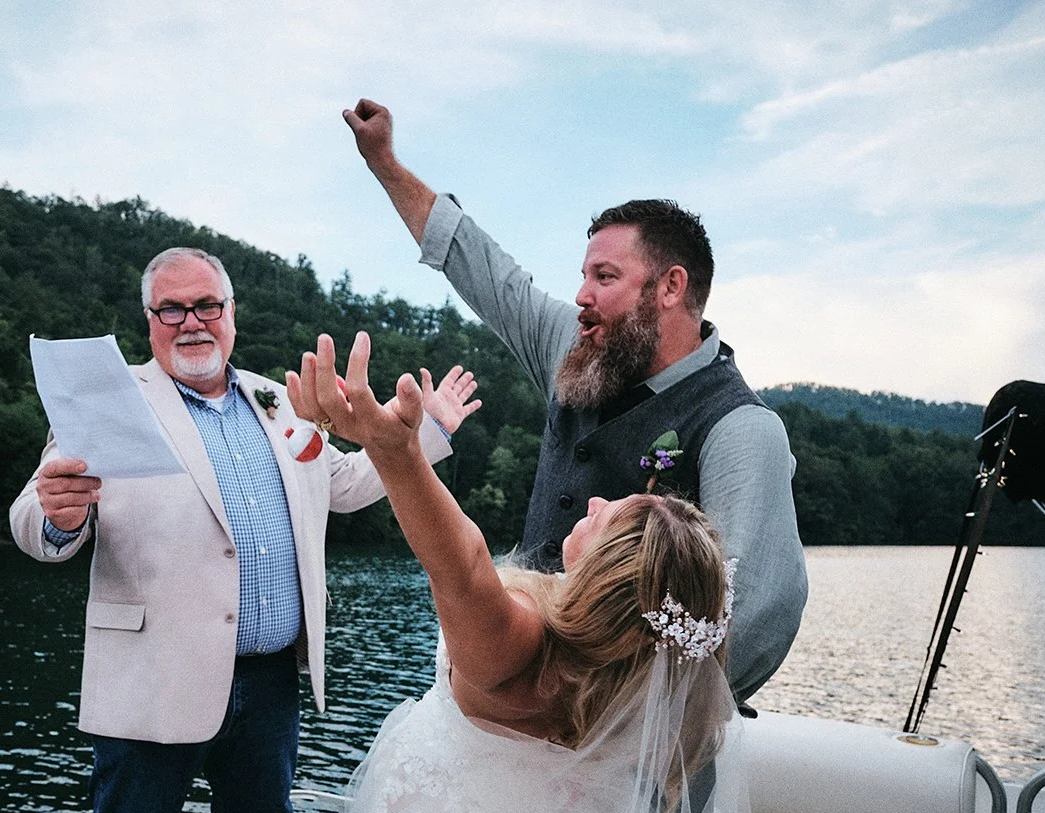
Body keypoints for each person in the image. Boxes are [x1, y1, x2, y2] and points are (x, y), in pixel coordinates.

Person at [9, 246, 481, 813]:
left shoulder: (278, 400)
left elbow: (345, 484)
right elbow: (35, 517)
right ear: (150, 320)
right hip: (154, 680)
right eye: (172, 308)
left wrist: (421, 435)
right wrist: (60, 516)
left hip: (268, 685)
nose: (191, 321)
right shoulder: (107, 397)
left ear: (231, 314)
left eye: (207, 306)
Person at [246, 332, 767, 813]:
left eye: (606, 519)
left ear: (609, 578)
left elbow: (458, 562)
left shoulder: (519, 649)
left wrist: (396, 452)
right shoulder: (635, 664)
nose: (591, 505)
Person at [343, 98, 808, 705]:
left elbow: (750, 613)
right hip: (510, 700)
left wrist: (611, 717)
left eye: (605, 277)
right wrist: (385, 163)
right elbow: (487, 274)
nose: (582, 294)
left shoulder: (741, 429)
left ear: (671, 286)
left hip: (625, 746)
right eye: (584, 275)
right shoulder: (578, 345)